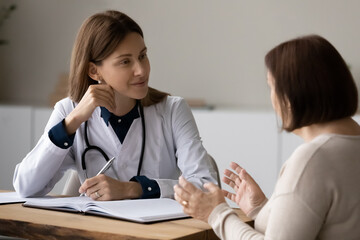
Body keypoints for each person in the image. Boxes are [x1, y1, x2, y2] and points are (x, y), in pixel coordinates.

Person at [13, 10, 218, 200]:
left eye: (142, 56)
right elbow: (26, 187)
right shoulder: (68, 111)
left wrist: (134, 189)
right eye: (125, 62)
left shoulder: (172, 110)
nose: (141, 70)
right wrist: (72, 123)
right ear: (94, 71)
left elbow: (206, 187)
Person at [174, 35, 360, 239]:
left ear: (291, 96)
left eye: (271, 86)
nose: (271, 98)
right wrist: (261, 209)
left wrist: (216, 213)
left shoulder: (314, 159)